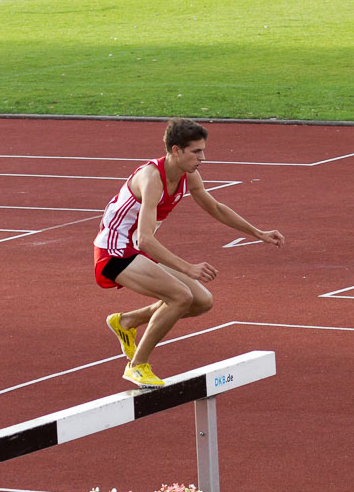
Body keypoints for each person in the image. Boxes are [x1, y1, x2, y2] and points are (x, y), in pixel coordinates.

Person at [94, 118, 285, 387]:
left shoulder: (189, 175)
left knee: (201, 300)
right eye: (196, 152)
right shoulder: (151, 179)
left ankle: (127, 322)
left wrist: (258, 233)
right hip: (113, 253)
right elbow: (146, 240)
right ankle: (137, 366)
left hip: (135, 249)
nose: (202, 158)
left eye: (203, 151)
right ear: (176, 150)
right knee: (180, 296)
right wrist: (187, 268)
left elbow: (215, 207)